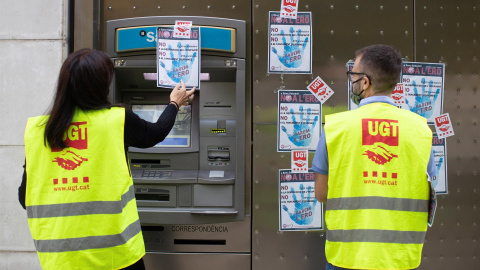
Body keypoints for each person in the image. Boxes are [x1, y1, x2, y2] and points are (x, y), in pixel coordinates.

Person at [18, 48, 195, 270]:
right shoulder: (115, 121)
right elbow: (156, 132)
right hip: (115, 255)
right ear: (101, 85)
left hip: (62, 260)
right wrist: (175, 103)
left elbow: (25, 198)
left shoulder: (38, 130)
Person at [312, 44, 436, 270]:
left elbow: (321, 194)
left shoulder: (336, 127)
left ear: (366, 82)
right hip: (399, 259)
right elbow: (427, 191)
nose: (352, 81)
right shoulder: (420, 130)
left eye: (354, 75)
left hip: (348, 258)